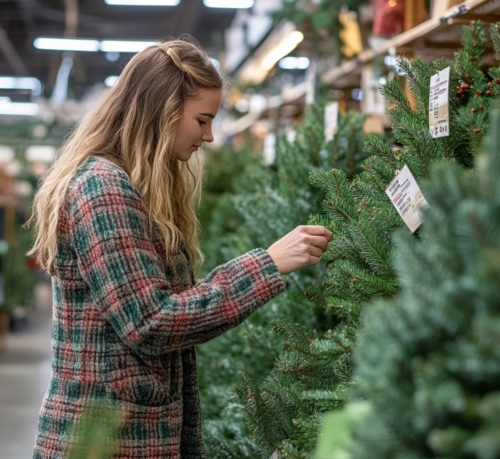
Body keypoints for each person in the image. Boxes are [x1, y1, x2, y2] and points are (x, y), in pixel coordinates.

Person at [28, 39, 332, 459]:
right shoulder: (104, 189)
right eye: (202, 119)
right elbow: (151, 322)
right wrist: (266, 265)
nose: (208, 136)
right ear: (164, 110)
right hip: (106, 441)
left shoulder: (131, 186)